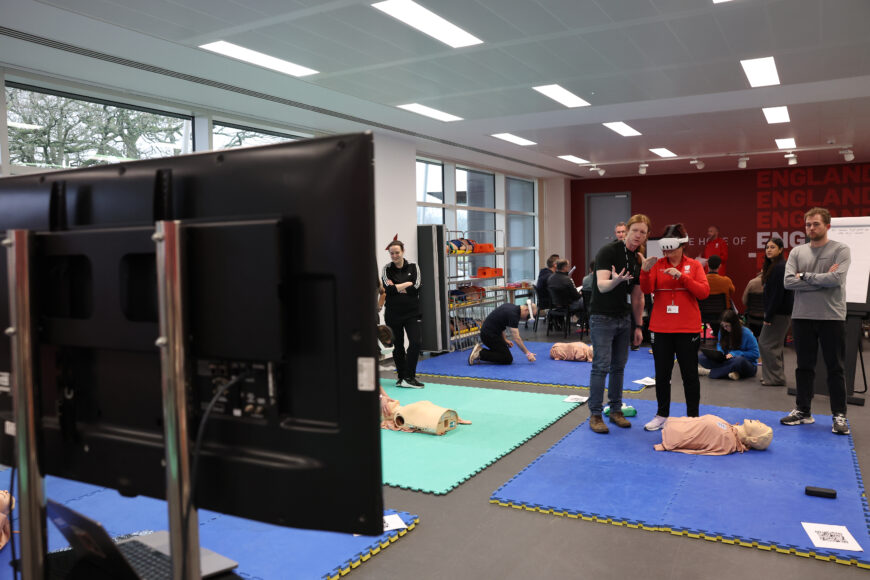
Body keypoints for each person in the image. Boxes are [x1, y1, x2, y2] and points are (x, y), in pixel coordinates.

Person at [781, 207, 851, 435]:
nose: (811, 228)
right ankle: (803, 411)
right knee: (803, 367)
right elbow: (789, 282)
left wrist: (805, 276)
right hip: (802, 316)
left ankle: (839, 416)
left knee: (835, 368)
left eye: (816, 224)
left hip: (831, 316)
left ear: (827, 226)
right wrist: (822, 280)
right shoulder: (797, 252)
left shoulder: (841, 250)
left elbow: (836, 278)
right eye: (808, 225)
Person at [640, 223, 710, 431]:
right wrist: (644, 272)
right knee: (662, 375)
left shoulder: (694, 266)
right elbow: (647, 288)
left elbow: (703, 292)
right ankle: (662, 415)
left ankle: (693, 418)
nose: (668, 252)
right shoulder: (657, 264)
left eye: (671, 248)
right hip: (661, 328)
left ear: (682, 246)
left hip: (687, 328)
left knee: (689, 374)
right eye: (665, 248)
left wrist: (682, 277)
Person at [587, 214, 650, 434]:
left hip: (623, 319)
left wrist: (639, 326)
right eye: (635, 231)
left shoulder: (638, 259)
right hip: (602, 317)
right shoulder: (608, 251)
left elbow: (638, 296)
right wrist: (616, 280)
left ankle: (615, 410)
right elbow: (602, 285)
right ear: (627, 231)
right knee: (601, 366)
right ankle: (595, 414)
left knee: (619, 367)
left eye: (643, 232)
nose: (638, 235)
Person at [382, 240, 425, 388]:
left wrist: (399, 287)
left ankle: (409, 376)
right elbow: (389, 290)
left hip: (412, 313)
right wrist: (407, 284)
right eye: (392, 253)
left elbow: (417, 287)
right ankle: (402, 377)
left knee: (416, 342)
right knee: (398, 346)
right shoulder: (386, 269)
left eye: (397, 252)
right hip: (393, 314)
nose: (394, 256)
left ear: (403, 252)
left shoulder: (414, 267)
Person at [757, 238, 793, 386]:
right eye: (767, 247)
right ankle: (773, 376)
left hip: (779, 313)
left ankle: (775, 378)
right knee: (774, 345)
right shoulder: (775, 266)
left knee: (766, 343)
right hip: (780, 313)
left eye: (773, 247)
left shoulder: (779, 267)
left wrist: (769, 316)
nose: (769, 250)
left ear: (780, 250)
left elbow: (777, 295)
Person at [654, 416, 773, 455]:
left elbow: (702, 447)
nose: (758, 420)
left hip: (676, 435)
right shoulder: (730, 430)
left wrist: (670, 445)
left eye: (760, 425)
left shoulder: (728, 440)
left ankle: (675, 433)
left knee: (706, 425)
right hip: (680, 425)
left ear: (754, 439)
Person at [468, 302, 537, 365]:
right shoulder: (514, 315)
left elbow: (500, 324)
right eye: (528, 317)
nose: (526, 320)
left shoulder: (511, 307)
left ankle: (480, 351)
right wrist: (528, 353)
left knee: (503, 351)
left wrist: (505, 339)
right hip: (488, 336)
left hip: (489, 333)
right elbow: (517, 338)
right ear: (526, 310)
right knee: (507, 358)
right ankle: (479, 353)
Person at [698, 310, 759, 380]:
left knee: (739, 361)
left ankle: (709, 372)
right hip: (728, 361)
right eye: (723, 325)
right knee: (701, 357)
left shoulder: (746, 333)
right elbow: (720, 345)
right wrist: (720, 353)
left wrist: (736, 353)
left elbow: (756, 354)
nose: (725, 328)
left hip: (747, 364)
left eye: (727, 326)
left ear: (734, 325)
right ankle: (731, 372)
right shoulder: (722, 331)